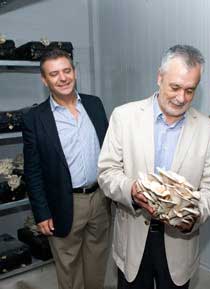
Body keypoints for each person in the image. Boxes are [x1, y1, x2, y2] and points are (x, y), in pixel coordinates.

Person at [97, 44, 210, 289]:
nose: (181, 98)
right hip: (132, 240)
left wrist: (194, 217)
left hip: (179, 247)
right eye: (175, 87)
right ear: (159, 77)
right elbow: (106, 173)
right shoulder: (124, 117)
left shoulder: (208, 129)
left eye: (190, 90)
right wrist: (132, 189)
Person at [22, 49, 111, 289]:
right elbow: (33, 171)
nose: (62, 78)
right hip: (64, 201)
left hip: (100, 198)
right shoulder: (35, 118)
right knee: (69, 268)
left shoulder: (94, 104)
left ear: (74, 72)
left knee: (97, 261)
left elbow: (110, 149)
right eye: (54, 74)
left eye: (67, 71)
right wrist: (41, 213)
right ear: (44, 80)